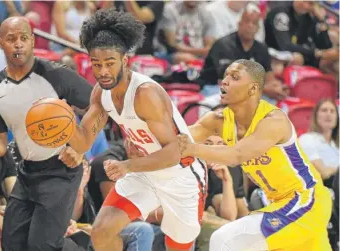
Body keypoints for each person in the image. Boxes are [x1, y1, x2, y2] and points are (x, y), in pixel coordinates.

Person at [67, 9, 206, 251]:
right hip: (145, 172)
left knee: (177, 247)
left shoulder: (145, 94)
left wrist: (128, 166)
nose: (103, 72)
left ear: (124, 60)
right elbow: (82, 143)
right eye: (96, 64)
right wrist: (64, 123)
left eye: (109, 63)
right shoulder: (101, 94)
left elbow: (176, 152)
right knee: (101, 233)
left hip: (181, 175)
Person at [177, 59, 332, 250]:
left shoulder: (273, 120)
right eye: (225, 76)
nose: (224, 81)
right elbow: (178, 139)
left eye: (234, 77)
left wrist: (192, 149)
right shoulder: (218, 120)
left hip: (305, 200)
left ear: (252, 89)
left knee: (224, 240)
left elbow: (237, 155)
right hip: (282, 204)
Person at [0, 16, 93, 251]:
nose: (18, 44)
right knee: (12, 243)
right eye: (11, 39)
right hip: (27, 172)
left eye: (24, 38)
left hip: (61, 172)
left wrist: (80, 145)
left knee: (42, 246)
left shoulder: (55, 75)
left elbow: (99, 105)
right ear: (0, 43)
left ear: (33, 41)